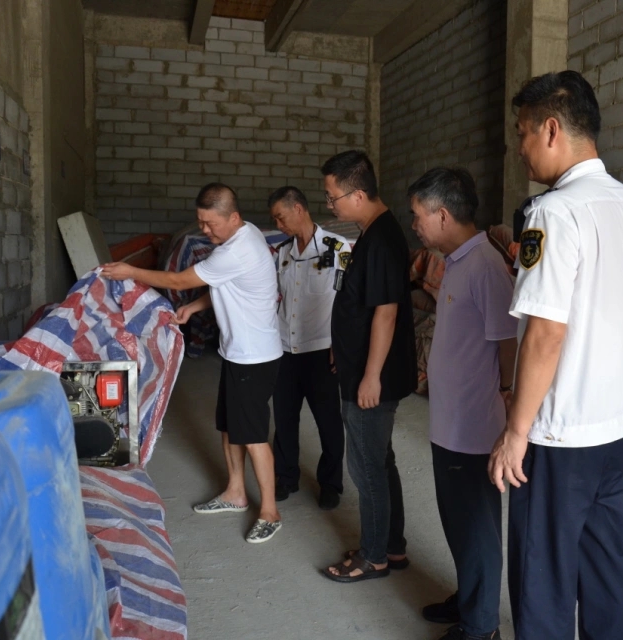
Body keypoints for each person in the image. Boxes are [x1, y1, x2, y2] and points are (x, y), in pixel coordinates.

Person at [488, 70, 623, 640]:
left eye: (523, 133)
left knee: (543, 577)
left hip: (561, 436)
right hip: (618, 425)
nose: (519, 148)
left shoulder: (553, 213)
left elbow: (545, 333)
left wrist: (516, 431)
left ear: (552, 130)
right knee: (607, 561)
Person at [101, 182, 285, 544]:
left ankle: (270, 511)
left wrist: (131, 272)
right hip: (237, 352)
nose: (204, 230)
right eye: (200, 221)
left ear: (234, 217)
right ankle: (235, 492)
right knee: (230, 426)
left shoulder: (239, 248)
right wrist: (194, 307)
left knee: (253, 436)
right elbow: (227, 286)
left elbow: (178, 279)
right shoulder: (241, 235)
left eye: (210, 223)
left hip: (255, 357)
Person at [410, 167, 517, 640]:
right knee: (457, 521)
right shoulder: (457, 261)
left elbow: (510, 343)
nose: (414, 224)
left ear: (442, 215)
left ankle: (480, 627)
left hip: (474, 427)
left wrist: (507, 399)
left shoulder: (486, 266)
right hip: (449, 423)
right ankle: (468, 597)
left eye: (418, 215)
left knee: (476, 528)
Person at [320, 150, 417, 583]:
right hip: (360, 366)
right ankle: (391, 546)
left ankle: (374, 556)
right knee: (380, 459)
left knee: (367, 467)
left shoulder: (380, 240)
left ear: (357, 195)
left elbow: (386, 313)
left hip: (370, 377)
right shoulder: (374, 232)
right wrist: (342, 346)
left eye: (333, 197)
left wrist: (371, 375)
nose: (330, 205)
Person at [268, 186, 350, 510]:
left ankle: (330, 483)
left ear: (298, 209)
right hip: (285, 348)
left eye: (281, 217)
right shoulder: (283, 253)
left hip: (321, 349)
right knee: (284, 418)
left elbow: (349, 299)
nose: (278, 225)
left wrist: (341, 343)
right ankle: (286, 477)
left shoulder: (336, 247)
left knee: (328, 421)